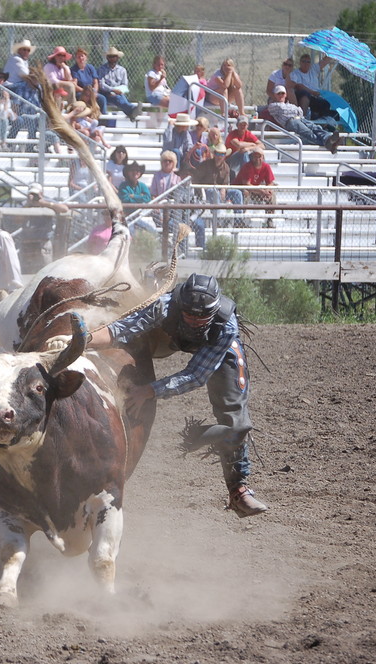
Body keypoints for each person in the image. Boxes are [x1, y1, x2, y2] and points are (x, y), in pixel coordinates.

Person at [86, 273, 268, 518]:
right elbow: (123, 328)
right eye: (189, 314)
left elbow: (196, 375)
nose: (194, 320)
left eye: (201, 316)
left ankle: (238, 490)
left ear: (214, 312)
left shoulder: (226, 326)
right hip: (165, 336)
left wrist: (150, 390)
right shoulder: (164, 305)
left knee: (238, 425)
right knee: (125, 344)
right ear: (180, 305)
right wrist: (85, 339)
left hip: (215, 349)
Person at [267, 85, 341, 153]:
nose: (281, 95)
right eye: (278, 93)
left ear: (285, 95)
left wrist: (295, 110)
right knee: (308, 132)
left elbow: (300, 111)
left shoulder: (288, 105)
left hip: (300, 119)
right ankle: (327, 143)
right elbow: (290, 109)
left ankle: (328, 138)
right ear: (275, 95)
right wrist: (295, 110)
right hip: (290, 122)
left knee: (315, 127)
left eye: (282, 93)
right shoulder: (273, 105)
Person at [192, 143, 242, 231]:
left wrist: (223, 188)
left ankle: (239, 221)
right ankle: (217, 220)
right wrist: (201, 191)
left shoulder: (226, 167)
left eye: (222, 154)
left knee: (237, 193)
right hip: (206, 193)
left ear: (225, 156)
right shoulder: (205, 165)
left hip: (221, 193)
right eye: (218, 153)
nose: (220, 156)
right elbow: (195, 178)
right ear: (214, 154)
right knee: (213, 191)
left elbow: (226, 183)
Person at [97, 46, 141, 121]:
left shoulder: (122, 70)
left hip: (119, 93)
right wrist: (113, 90)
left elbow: (125, 85)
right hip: (106, 94)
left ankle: (132, 112)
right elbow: (101, 85)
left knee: (119, 97)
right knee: (118, 98)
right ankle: (132, 111)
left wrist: (118, 91)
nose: (112, 58)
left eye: (114, 57)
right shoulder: (101, 69)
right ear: (107, 58)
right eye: (110, 57)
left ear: (117, 57)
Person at [289, 53, 333, 118]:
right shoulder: (295, 73)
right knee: (305, 94)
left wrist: (332, 53)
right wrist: (312, 92)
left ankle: (323, 123)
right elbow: (299, 86)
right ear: (300, 62)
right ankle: (302, 118)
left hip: (315, 97)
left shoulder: (313, 69)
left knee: (326, 103)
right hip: (304, 96)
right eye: (303, 61)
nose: (305, 63)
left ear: (310, 63)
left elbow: (325, 61)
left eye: (308, 62)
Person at [70, 48, 107, 116]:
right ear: (76, 58)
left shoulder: (90, 67)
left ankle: (103, 120)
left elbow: (95, 82)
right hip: (80, 92)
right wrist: (85, 92)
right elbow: (74, 84)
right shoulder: (74, 69)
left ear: (86, 57)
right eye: (78, 56)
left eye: (82, 56)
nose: (80, 58)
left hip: (92, 92)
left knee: (102, 98)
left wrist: (94, 91)